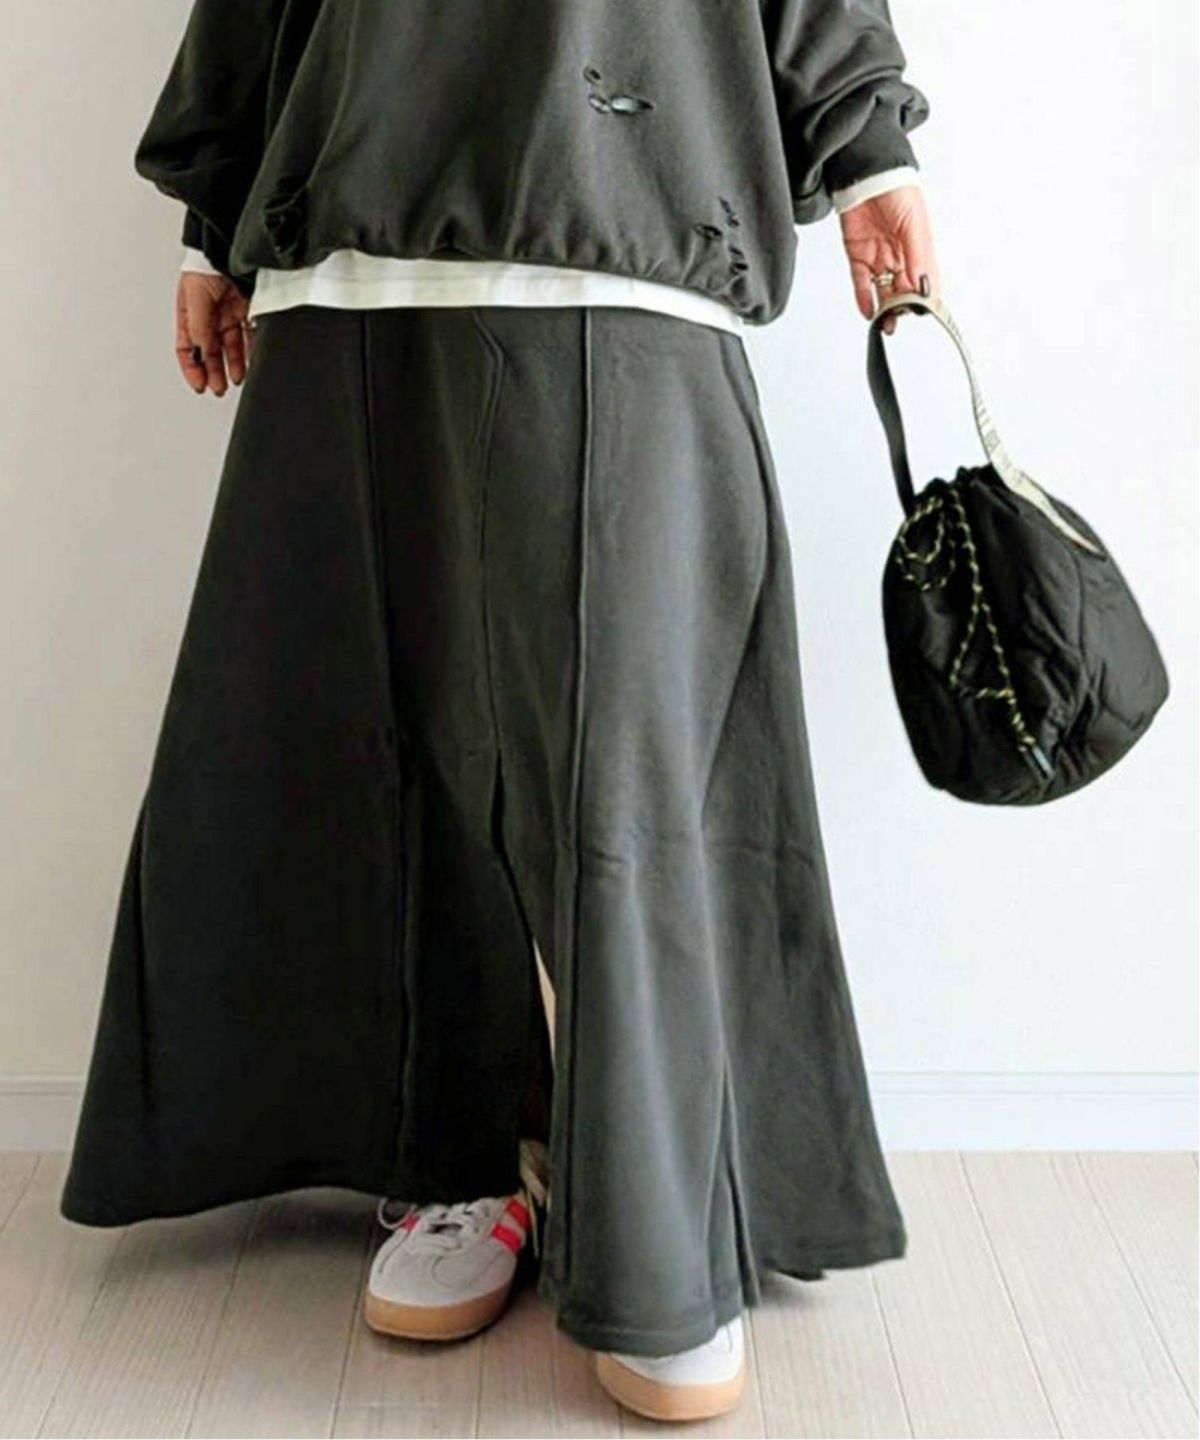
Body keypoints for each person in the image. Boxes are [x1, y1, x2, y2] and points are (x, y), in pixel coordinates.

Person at [62, 0, 939, 1424]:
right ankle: (455, 1162)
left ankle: (660, 1226)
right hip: (356, 249)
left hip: (634, 212)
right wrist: (212, 224)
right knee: (391, 739)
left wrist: (869, 149)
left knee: (632, 785)